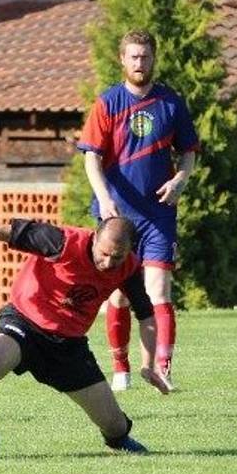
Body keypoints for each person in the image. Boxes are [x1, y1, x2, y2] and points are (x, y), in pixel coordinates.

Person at [0, 215, 160, 455]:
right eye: (104, 253)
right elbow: (3, 230)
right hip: (23, 323)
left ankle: (118, 440)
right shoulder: (61, 241)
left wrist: (148, 365)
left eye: (117, 257)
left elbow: (145, 314)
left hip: (68, 347)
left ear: (130, 250)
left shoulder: (129, 267)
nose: (108, 263)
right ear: (95, 237)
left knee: (115, 425)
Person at [77, 29, 200, 393]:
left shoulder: (171, 103)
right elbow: (91, 159)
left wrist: (180, 180)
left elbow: (189, 152)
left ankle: (162, 368)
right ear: (122, 60)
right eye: (133, 57)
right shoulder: (108, 102)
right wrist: (105, 198)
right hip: (117, 217)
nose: (139, 63)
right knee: (117, 293)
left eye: (145, 56)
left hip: (158, 214)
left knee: (159, 290)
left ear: (153, 58)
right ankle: (121, 368)